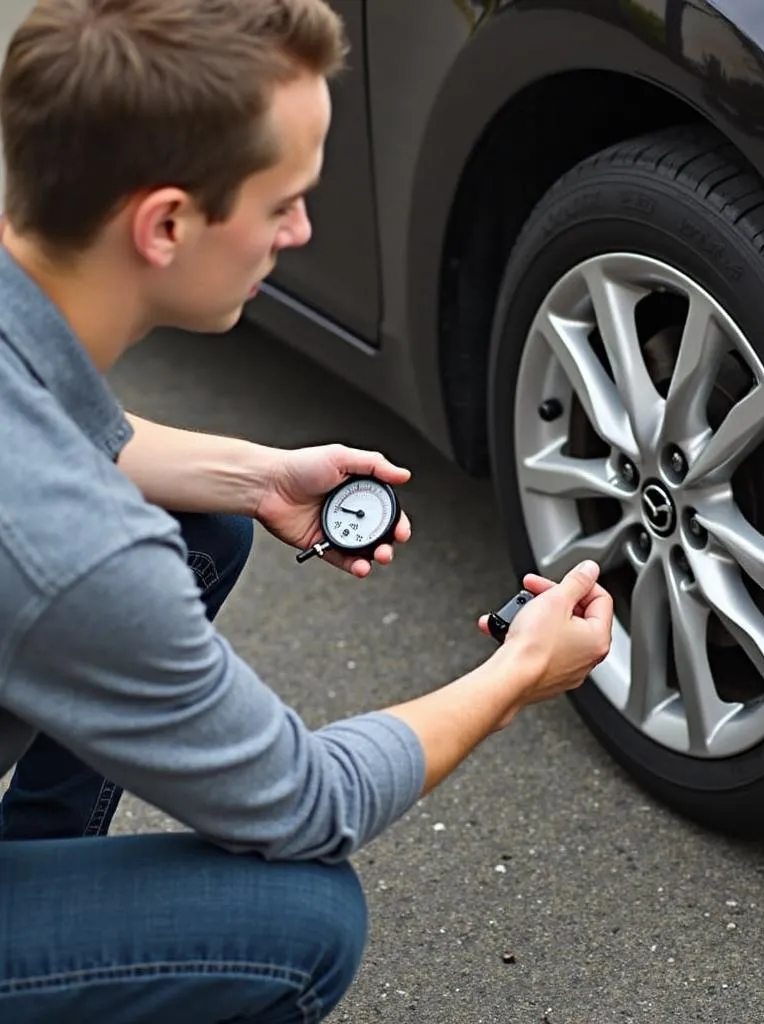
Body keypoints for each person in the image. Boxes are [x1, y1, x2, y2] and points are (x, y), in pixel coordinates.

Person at [0, 2, 614, 1022]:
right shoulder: (79, 548)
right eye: (282, 200)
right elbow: (303, 803)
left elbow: (61, 426)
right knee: (295, 917)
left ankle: (38, 872)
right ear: (164, 224)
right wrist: (516, 675)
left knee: (206, 525)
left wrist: (254, 475)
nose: (301, 231)